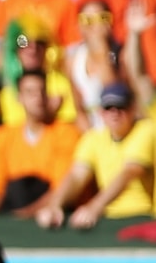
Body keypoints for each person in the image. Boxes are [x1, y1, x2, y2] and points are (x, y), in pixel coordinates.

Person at [36, 83, 156, 229]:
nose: (115, 112)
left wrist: (94, 207)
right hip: (110, 218)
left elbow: (130, 171)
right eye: (108, 107)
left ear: (132, 109)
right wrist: (55, 205)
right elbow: (76, 176)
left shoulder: (146, 130)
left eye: (121, 107)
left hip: (142, 217)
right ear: (101, 112)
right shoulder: (94, 138)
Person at [0, 70, 82, 214]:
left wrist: (25, 215)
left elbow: (61, 188)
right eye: (30, 92)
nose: (38, 98)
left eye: (42, 91)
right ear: (19, 98)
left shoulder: (65, 133)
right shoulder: (2, 137)